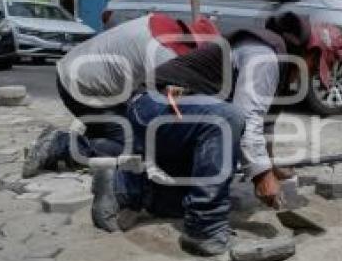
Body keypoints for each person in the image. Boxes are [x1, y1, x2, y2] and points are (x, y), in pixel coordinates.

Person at [98, 14, 342, 256]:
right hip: (155, 107)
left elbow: (264, 124)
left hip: (181, 121)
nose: (313, 76)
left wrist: (270, 167)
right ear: (310, 52)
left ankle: (121, 187)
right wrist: (261, 176)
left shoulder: (281, 69)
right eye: (316, 67)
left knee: (197, 194)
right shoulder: (265, 55)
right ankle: (204, 230)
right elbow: (247, 117)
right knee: (229, 119)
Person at [22, 13, 218, 178]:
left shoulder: (160, 21)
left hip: (77, 72)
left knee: (129, 125)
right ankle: (61, 144)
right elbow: (165, 113)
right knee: (135, 148)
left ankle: (96, 136)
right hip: (83, 88)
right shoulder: (165, 54)